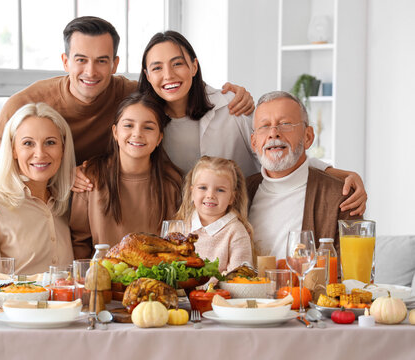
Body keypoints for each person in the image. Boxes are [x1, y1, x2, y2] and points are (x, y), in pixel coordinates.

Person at [0, 17, 254, 225]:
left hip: (104, 199)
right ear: (65, 62)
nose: (91, 71)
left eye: (102, 60)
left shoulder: (130, 92)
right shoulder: (25, 103)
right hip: (41, 205)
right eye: (81, 60)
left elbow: (172, 86)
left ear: (115, 64)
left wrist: (228, 97)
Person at [136, 31, 367, 216]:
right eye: (157, 68)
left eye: (177, 64)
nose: (168, 75)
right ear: (147, 75)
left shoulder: (231, 106)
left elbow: (276, 149)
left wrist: (335, 173)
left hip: (243, 222)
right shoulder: (146, 124)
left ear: (194, 67)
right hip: (185, 227)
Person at [246, 91, 361, 259]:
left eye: (285, 124)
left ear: (308, 137)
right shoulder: (239, 193)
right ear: (254, 142)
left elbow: (352, 276)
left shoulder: (341, 197)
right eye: (264, 126)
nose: (273, 133)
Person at [70, 92, 182, 259]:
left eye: (148, 127)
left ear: (159, 138)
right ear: (115, 132)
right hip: (102, 278)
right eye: (128, 125)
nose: (137, 134)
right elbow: (79, 241)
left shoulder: (172, 181)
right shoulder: (91, 176)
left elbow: (177, 243)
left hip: (155, 280)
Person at [0, 103, 76, 280]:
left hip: (69, 307)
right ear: (13, 150)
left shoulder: (68, 201)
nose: (40, 153)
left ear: (63, 148)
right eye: (28, 143)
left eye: (50, 142)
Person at [175, 156, 253, 274]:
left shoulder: (236, 232)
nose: (210, 195)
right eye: (203, 188)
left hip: (220, 292)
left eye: (220, 190)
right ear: (192, 193)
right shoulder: (180, 227)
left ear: (232, 197)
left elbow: (240, 277)